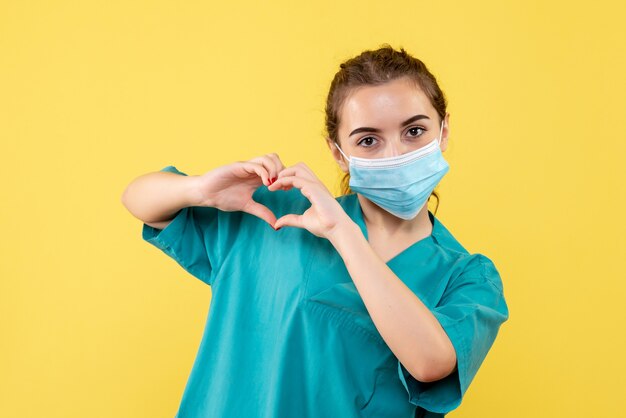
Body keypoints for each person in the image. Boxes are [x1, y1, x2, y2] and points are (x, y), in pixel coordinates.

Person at [121, 45, 509, 418]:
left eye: (414, 132)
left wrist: (344, 234)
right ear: (338, 152)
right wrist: (199, 188)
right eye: (368, 140)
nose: (395, 155)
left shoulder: (467, 277)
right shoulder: (274, 214)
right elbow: (139, 200)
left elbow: (431, 363)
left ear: (443, 131)